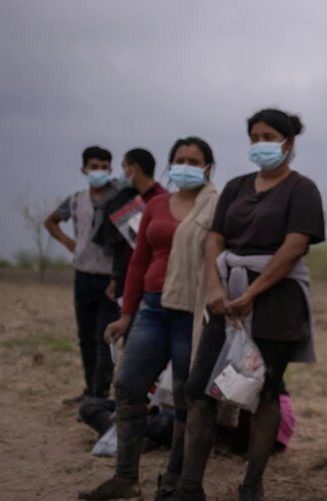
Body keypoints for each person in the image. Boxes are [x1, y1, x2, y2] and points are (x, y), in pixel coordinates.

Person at [177, 108, 325, 501]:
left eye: (268, 136)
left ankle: (252, 484)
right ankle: (189, 486)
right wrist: (214, 288)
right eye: (254, 136)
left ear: (288, 143)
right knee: (199, 390)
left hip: (276, 302)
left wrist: (253, 293)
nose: (260, 143)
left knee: (264, 391)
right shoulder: (237, 187)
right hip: (225, 299)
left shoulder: (302, 189)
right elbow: (215, 239)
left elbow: (295, 246)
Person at [79, 137, 219, 500]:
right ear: (170, 164)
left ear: (207, 167)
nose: (186, 164)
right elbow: (139, 260)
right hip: (152, 309)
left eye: (194, 159)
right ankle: (126, 478)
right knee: (127, 385)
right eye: (180, 159)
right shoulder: (155, 204)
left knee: (189, 396)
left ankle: (175, 478)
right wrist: (127, 315)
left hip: (193, 310)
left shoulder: (217, 208)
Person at [45, 146, 119, 403]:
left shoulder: (119, 198)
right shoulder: (76, 200)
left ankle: (100, 394)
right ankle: (90, 390)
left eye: (103, 167)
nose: (98, 171)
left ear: (111, 169)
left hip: (110, 280)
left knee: (104, 337)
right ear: (84, 169)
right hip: (83, 276)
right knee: (85, 337)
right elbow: (51, 221)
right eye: (93, 166)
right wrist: (68, 242)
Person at [93, 147, 167, 301]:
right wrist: (115, 279)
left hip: (152, 278)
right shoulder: (127, 199)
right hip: (128, 276)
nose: (123, 173)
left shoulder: (162, 200)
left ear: (134, 169)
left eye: (124, 167)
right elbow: (124, 244)